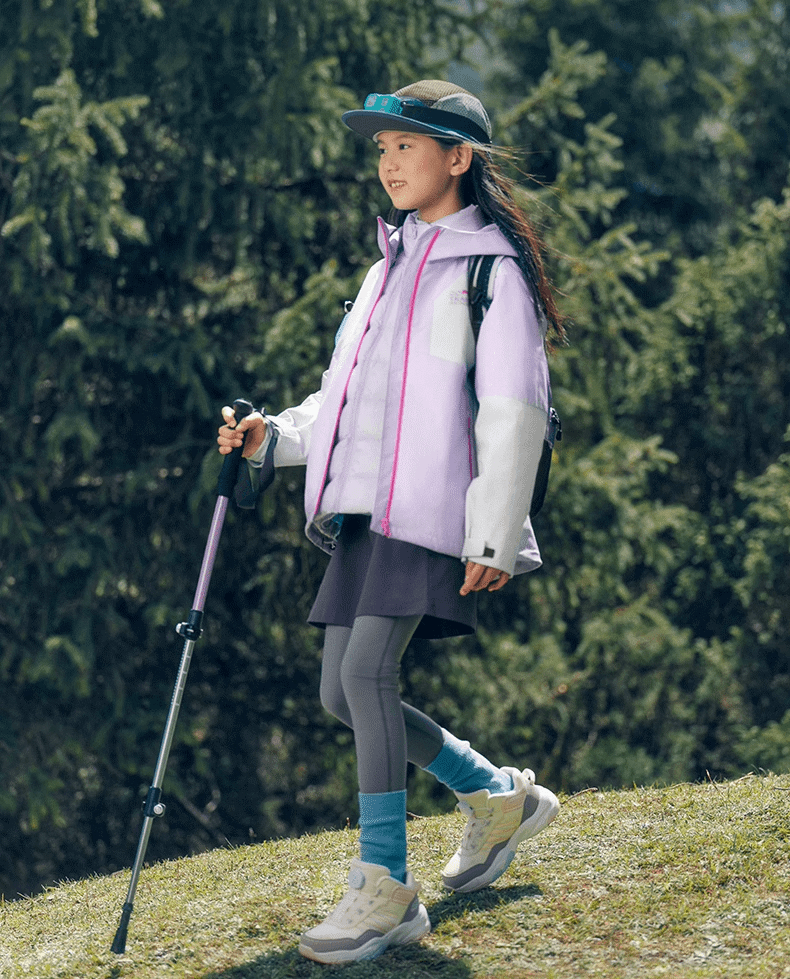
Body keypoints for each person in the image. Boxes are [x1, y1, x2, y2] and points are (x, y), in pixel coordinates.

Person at [217, 80, 563, 965]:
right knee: (340, 693)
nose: (389, 162)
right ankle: (495, 795)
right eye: (381, 148)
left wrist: (495, 533)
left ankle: (385, 887)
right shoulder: (387, 269)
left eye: (407, 145)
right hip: (370, 510)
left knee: (367, 671)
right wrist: (274, 437)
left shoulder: (491, 271)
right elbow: (345, 398)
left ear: (459, 157)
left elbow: (514, 409)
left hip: (436, 510)